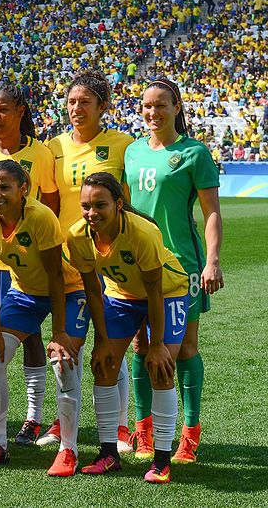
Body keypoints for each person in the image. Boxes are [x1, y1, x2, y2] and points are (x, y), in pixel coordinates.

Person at [124, 78, 223, 464]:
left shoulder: (194, 153)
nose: (153, 112)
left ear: (177, 107)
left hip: (182, 265)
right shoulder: (132, 153)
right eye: (147, 106)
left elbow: (211, 212)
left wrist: (212, 260)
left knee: (183, 349)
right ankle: (144, 431)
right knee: (141, 346)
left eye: (161, 105)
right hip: (139, 265)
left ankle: (189, 434)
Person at [67, 172, 189, 484]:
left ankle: (161, 460)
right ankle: (108, 454)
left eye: (100, 205)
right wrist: (102, 341)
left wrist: (157, 343)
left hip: (167, 293)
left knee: (161, 369)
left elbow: (155, 291)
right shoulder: (77, 236)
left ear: (119, 204)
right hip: (120, 296)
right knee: (104, 366)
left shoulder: (142, 233)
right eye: (85, 206)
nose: (91, 213)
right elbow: (93, 290)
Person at [0, 160, 88, 475]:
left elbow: (56, 277)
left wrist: (59, 333)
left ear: (24, 189)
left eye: (4, 186)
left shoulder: (40, 217)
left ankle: (68, 451)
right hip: (24, 293)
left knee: (63, 361)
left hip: (69, 289)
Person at [42, 70, 134, 451]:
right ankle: (65, 417)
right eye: (71, 102)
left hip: (108, 261)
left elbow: (128, 205)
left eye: (85, 102)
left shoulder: (122, 145)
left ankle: (121, 425)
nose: (76, 109)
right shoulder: (53, 147)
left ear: (103, 107)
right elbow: (50, 204)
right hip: (67, 259)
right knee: (69, 341)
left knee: (112, 339)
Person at [0, 84, 59, 445]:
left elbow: (50, 204)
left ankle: (33, 418)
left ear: (21, 111)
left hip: (31, 258)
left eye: (3, 110)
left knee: (33, 336)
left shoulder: (42, 153)